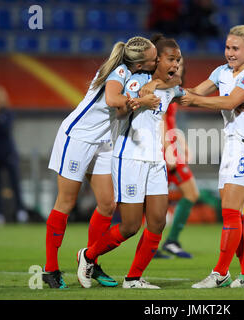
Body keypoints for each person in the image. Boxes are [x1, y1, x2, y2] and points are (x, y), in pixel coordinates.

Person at [44, 36, 168, 289]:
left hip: (104, 142)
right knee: (66, 202)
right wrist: (142, 101)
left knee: (107, 204)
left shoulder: (139, 74)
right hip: (78, 138)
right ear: (141, 62)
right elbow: (112, 100)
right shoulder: (119, 70)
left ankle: (91, 260)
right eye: (154, 57)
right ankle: (51, 269)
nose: (157, 60)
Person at [76, 35, 184, 289]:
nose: (177, 65)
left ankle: (134, 278)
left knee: (157, 222)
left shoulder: (165, 84)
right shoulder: (135, 80)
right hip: (130, 157)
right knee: (130, 225)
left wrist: (160, 82)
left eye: (178, 60)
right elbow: (120, 109)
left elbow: (180, 83)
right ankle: (88, 255)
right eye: (172, 59)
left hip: (155, 160)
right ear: (155, 60)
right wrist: (139, 99)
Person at [180, 22, 244, 289]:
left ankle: (219, 273)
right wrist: (168, 91)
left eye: (236, 48)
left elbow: (231, 102)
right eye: (228, 47)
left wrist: (193, 101)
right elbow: (195, 91)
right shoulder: (221, 72)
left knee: (231, 211)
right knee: (235, 214)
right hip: (231, 147)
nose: (230, 53)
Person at [155, 57, 200, 259]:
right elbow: (161, 120)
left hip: (168, 146)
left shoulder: (171, 89)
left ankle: (161, 243)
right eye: (175, 65)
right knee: (187, 194)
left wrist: (181, 142)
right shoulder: (163, 88)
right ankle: (166, 242)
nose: (178, 69)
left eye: (181, 65)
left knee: (161, 200)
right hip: (164, 150)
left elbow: (169, 122)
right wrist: (168, 150)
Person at [0, 85, 29, 225]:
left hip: (8, 154)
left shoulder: (7, 113)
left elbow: (5, 129)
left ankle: (20, 211)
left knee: (14, 184)